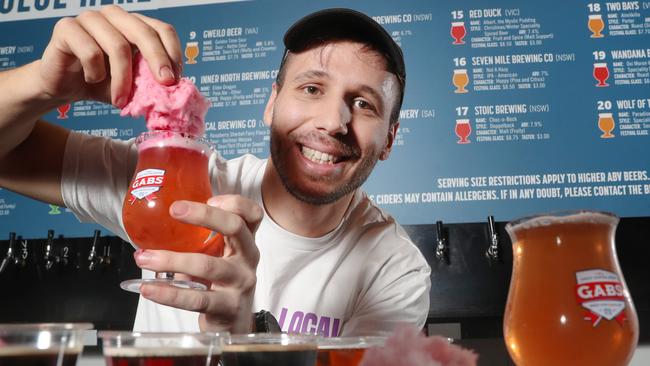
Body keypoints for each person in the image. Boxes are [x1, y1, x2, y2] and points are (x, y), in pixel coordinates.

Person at [0, 6, 431, 335]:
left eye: (363, 104)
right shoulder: (174, 181)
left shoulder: (395, 270)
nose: (333, 121)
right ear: (271, 103)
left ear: (389, 140)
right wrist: (42, 84)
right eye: (312, 88)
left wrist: (238, 340)